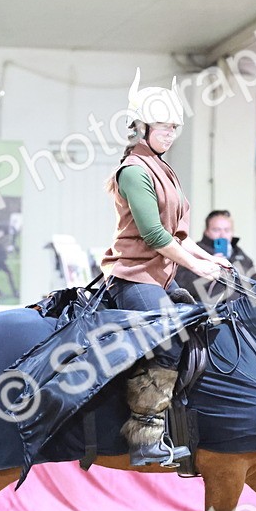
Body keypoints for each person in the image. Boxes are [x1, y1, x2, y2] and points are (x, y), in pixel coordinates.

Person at [100, 70, 232, 467]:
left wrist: (209, 258)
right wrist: (196, 265)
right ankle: (145, 434)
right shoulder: (134, 171)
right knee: (169, 338)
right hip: (134, 276)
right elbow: (156, 236)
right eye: (164, 126)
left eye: (175, 127)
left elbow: (179, 233)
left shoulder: (164, 169)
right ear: (141, 127)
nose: (171, 133)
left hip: (162, 275)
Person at [173, 210, 256, 302]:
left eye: (227, 230)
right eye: (216, 230)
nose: (222, 234)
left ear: (232, 232)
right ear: (206, 231)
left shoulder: (240, 255)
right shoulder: (195, 251)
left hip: (239, 310)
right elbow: (181, 285)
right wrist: (209, 267)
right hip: (206, 309)